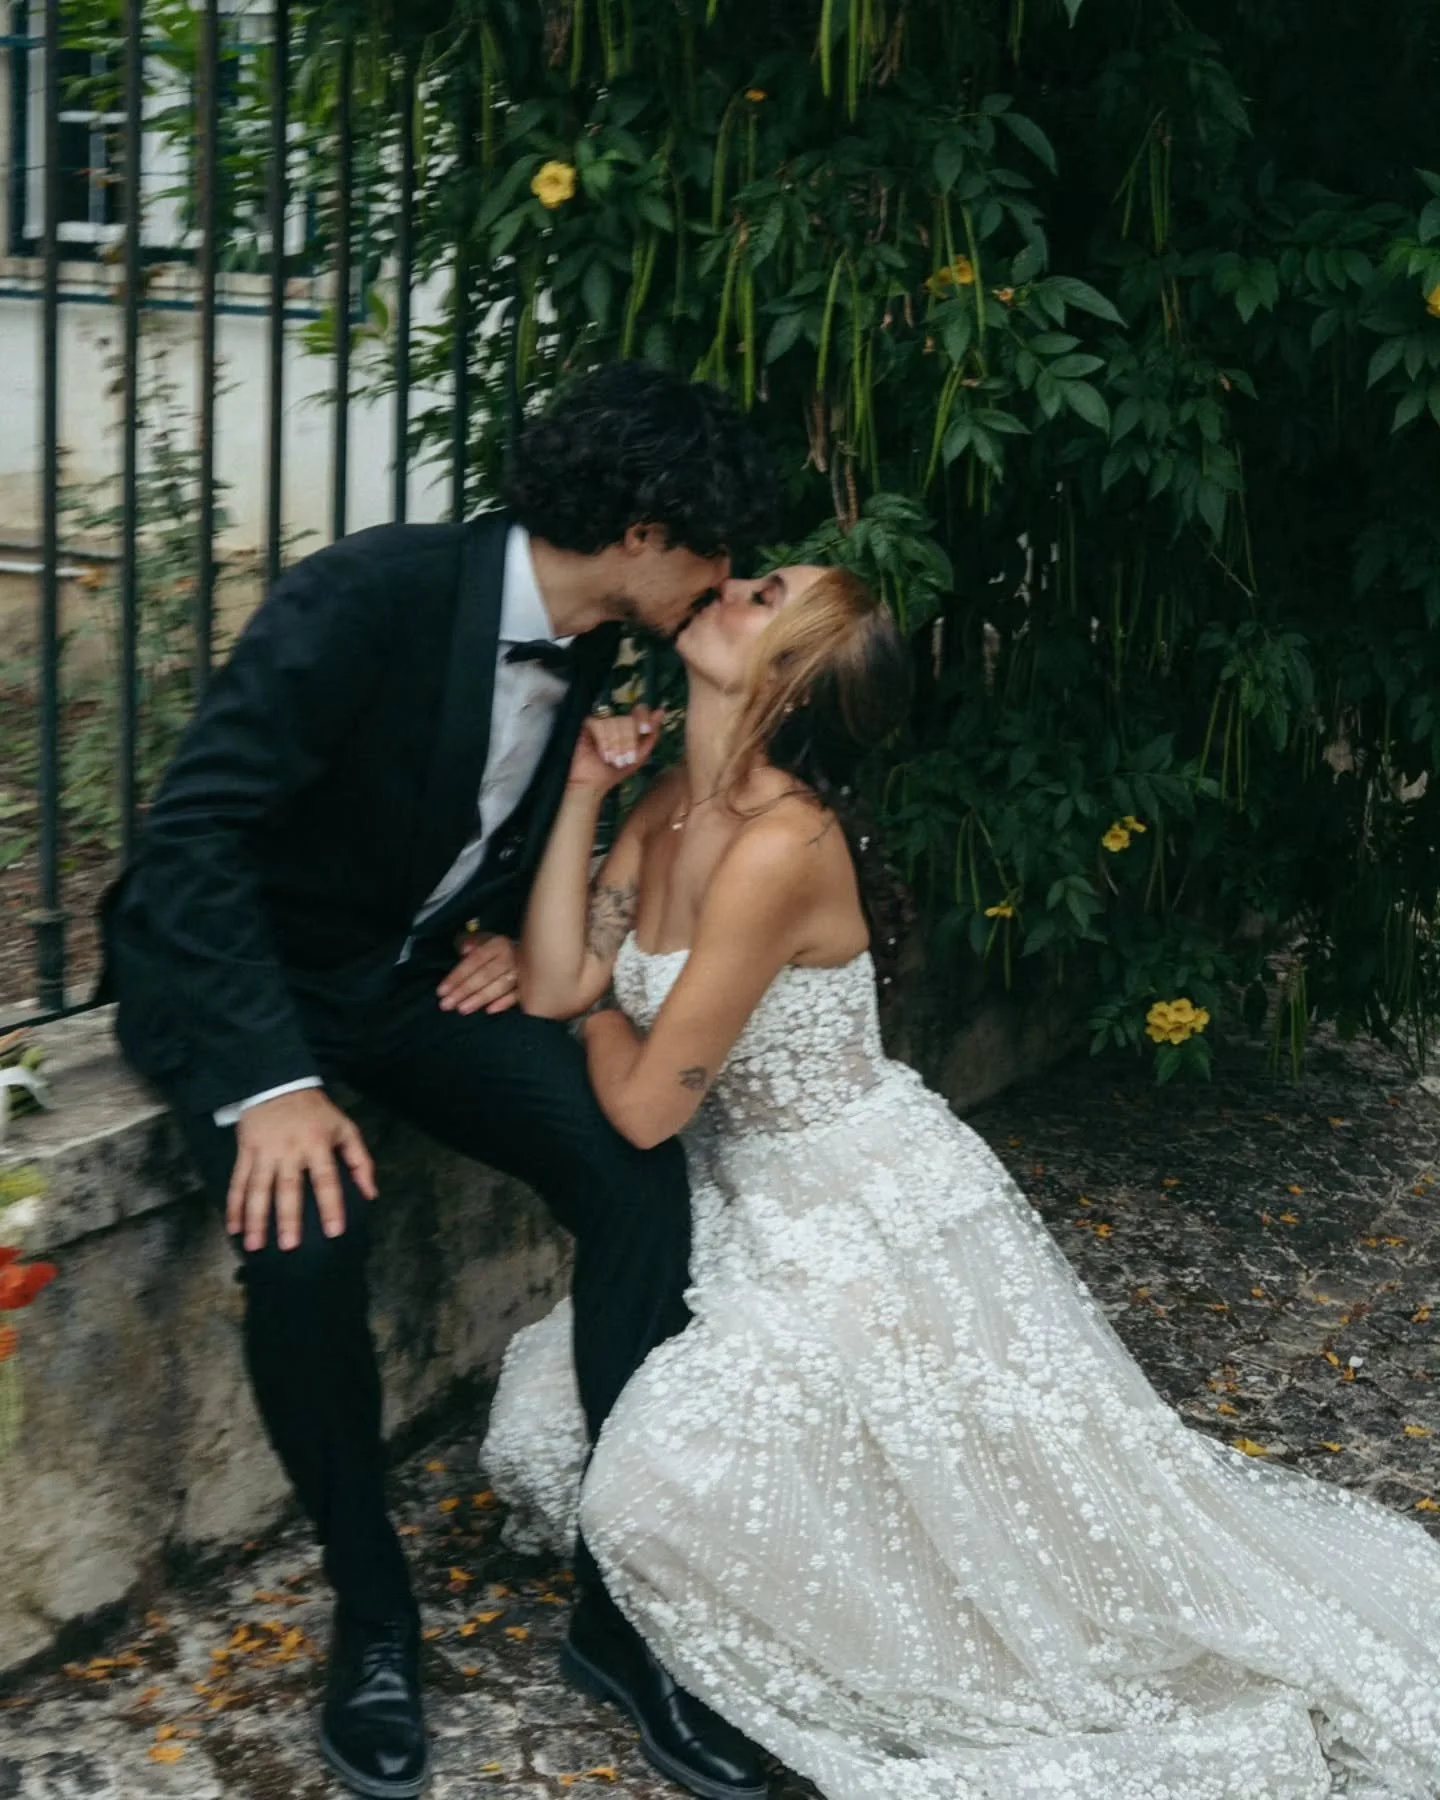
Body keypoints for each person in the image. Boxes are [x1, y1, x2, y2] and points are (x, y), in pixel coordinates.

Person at [484, 563, 1440, 1800]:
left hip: (858, 1219)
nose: (729, 585)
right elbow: (567, 976)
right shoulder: (666, 799)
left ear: (789, 680)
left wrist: (585, 1030)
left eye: (765, 596)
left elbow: (646, 1104)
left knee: (655, 1489)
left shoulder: (783, 846)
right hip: (746, 1214)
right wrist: (580, 795)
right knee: (566, 1439)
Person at [100, 364, 778, 1800]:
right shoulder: (366, 595)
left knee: (632, 1166)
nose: (728, 581)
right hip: (246, 993)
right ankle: (376, 1614)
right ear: (651, 531)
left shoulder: (592, 642)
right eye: (717, 551)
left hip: (402, 979)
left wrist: (489, 919)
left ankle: (625, 1601)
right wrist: (271, 1082)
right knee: (305, 1234)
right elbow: (188, 850)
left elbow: (467, 802)